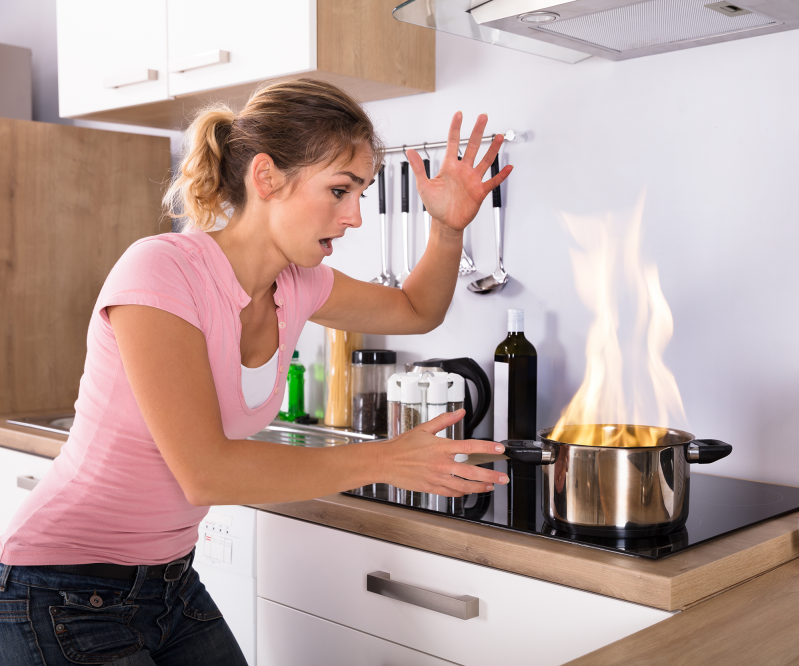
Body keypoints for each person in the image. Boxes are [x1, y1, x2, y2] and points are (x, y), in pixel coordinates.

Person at [0, 78, 512, 666]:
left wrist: (447, 229)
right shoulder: (163, 270)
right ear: (266, 178)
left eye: (362, 193)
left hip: (169, 584)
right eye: (340, 190)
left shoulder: (297, 285)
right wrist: (388, 459)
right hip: (61, 590)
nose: (355, 217)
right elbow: (206, 472)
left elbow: (418, 310)